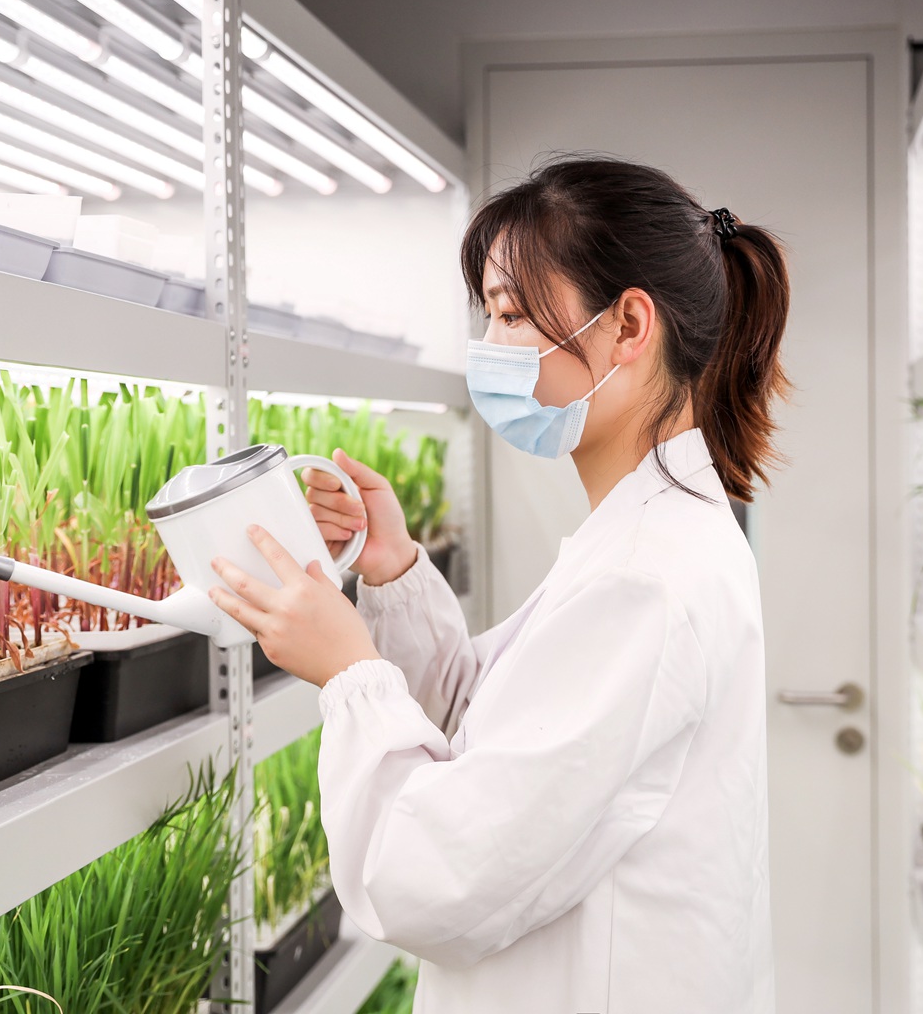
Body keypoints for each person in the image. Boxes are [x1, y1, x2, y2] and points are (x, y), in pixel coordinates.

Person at [207, 157, 791, 1014]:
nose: (490, 347)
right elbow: (496, 735)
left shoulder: (645, 578)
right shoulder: (643, 540)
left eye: (512, 314)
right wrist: (394, 571)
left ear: (629, 325)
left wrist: (350, 675)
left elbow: (434, 878)